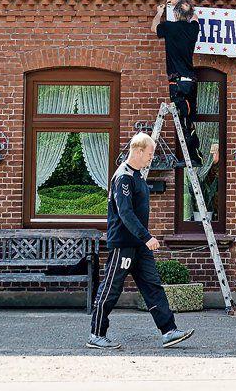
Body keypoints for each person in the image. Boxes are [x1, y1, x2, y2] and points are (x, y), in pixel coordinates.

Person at [86, 133, 194, 350]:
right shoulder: (123, 177)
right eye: (150, 153)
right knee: (111, 288)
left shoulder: (137, 176)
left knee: (152, 286)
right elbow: (125, 213)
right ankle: (96, 335)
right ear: (138, 150)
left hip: (139, 245)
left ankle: (169, 331)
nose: (152, 158)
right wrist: (147, 237)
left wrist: (143, 239)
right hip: (124, 244)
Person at [152, 0, 202, 167]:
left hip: (177, 82)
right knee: (190, 119)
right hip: (191, 81)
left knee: (183, 121)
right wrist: (182, 3)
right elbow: (195, 17)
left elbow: (154, 28)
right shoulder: (194, 28)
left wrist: (160, 12)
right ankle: (195, 155)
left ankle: (192, 158)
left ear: (175, 13)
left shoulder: (169, 27)